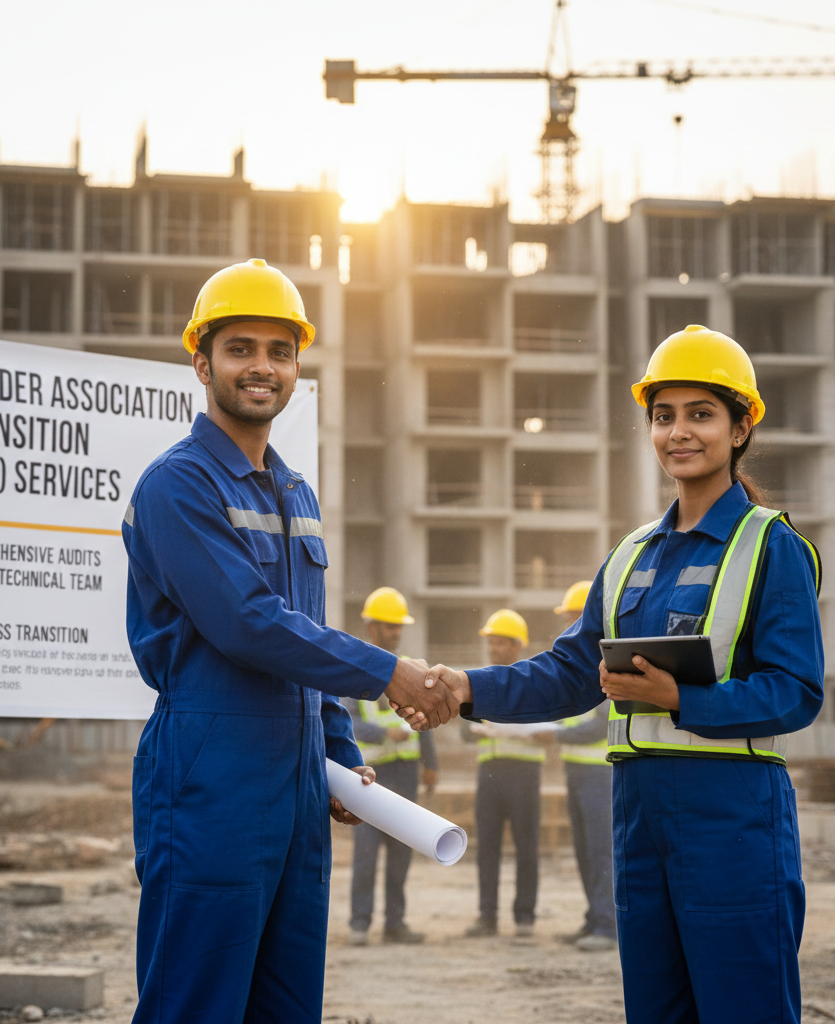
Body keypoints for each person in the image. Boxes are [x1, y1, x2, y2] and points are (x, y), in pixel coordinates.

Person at [401, 325, 824, 1024]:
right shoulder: (631, 555)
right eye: (664, 416)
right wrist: (468, 687)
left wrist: (678, 699)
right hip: (639, 812)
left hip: (732, 814)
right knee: (655, 1011)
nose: (678, 433)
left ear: (742, 425)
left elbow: (796, 691)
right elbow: (570, 671)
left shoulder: (771, 546)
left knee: (742, 1007)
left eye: (700, 414)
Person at [123, 259, 458, 1024]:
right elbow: (248, 622)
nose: (261, 367)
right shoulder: (177, 485)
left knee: (287, 1007)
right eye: (240, 348)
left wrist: (336, 749)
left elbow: (302, 627)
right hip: (212, 778)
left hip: (297, 791)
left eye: (280, 351)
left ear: (297, 366)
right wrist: (387, 673)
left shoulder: (295, 491)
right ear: (202, 362)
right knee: (195, 1006)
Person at [343, 587, 438, 946]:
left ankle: (395, 923)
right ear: (371, 627)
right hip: (370, 777)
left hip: (406, 773)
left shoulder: (412, 669)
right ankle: (359, 922)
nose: (395, 632)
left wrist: (431, 765)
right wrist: (385, 732)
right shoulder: (355, 671)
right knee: (366, 852)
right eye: (388, 626)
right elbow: (347, 721)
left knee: (401, 851)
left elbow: (426, 719)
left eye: (398, 626)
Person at [531, 581, 616, 953]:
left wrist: (557, 738)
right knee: (585, 850)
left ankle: (608, 926)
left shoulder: (607, 666)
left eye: (572, 619)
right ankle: (593, 919)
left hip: (600, 774)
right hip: (578, 774)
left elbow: (599, 725)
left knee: (600, 852)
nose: (569, 628)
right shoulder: (581, 669)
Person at [461, 609, 543, 940]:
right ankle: (487, 916)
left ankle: (524, 916)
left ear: (516, 646)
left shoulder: (534, 681)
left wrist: (504, 728)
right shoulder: (481, 681)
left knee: (527, 847)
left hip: (524, 773)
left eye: (500, 643)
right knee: (487, 848)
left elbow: (547, 725)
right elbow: (466, 731)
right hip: (490, 774)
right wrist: (480, 731)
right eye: (491, 643)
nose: (493, 649)